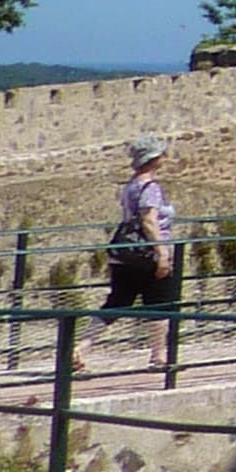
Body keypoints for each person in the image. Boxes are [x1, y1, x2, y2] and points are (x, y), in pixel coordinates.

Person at [99, 138, 182, 359]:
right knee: (161, 305)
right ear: (153, 159)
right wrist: (162, 253)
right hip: (148, 255)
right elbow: (149, 221)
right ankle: (158, 356)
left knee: (116, 302)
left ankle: (81, 347)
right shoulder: (151, 187)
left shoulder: (130, 185)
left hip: (126, 253)